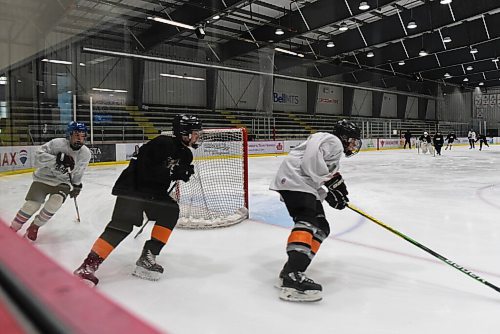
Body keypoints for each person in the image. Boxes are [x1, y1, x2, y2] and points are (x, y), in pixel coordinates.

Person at [74, 114, 202, 286]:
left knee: (170, 210)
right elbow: (143, 167)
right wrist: (170, 172)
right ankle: (88, 266)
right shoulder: (162, 143)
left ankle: (148, 256)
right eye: (195, 132)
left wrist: (182, 172)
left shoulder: (186, 154)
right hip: (133, 188)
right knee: (122, 225)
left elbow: (175, 171)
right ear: (184, 132)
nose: (197, 136)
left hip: (154, 193)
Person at [269, 120, 362, 302]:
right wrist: (331, 184)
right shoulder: (331, 140)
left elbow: (321, 173)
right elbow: (311, 163)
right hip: (294, 181)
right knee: (307, 221)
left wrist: (330, 193)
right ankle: (293, 275)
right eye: (352, 140)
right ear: (344, 137)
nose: (353, 144)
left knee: (321, 227)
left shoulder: (334, 151)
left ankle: (291, 270)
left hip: (303, 184)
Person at [10, 122, 91, 241]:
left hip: (63, 182)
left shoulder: (85, 153)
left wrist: (77, 185)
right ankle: (13, 228)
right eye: (76, 135)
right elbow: (38, 155)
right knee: (32, 205)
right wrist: (57, 160)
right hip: (42, 178)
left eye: (82, 136)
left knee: (55, 202)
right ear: (69, 135)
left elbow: (79, 172)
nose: (79, 139)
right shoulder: (57, 144)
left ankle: (34, 226)